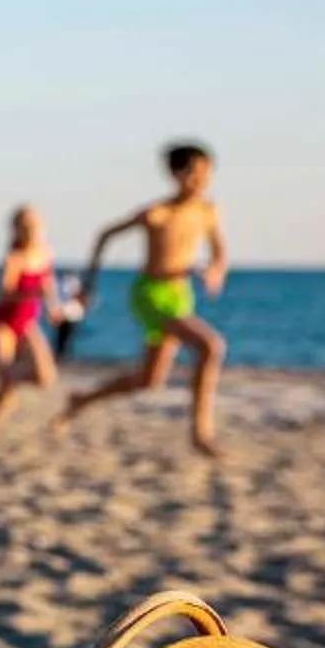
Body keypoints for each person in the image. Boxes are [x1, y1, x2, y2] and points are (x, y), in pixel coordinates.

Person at [58, 142, 230, 455]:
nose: (201, 181)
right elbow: (105, 235)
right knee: (210, 345)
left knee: (150, 380)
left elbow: (220, 252)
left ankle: (81, 400)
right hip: (150, 294)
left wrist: (215, 271)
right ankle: (201, 432)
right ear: (176, 174)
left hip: (181, 294)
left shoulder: (207, 211)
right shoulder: (156, 214)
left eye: (207, 174)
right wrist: (88, 284)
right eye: (194, 174)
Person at [0, 206, 60, 445]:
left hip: (27, 323)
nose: (31, 230)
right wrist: (30, 294)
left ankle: (8, 387)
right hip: (3, 322)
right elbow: (2, 293)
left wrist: (54, 308)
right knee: (5, 381)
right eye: (26, 226)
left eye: (35, 225)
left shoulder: (45, 253)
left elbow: (48, 283)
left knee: (46, 377)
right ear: (16, 230)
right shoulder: (14, 258)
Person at [49, 271, 88, 360]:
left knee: (65, 336)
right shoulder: (68, 285)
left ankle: (63, 354)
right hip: (66, 313)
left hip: (69, 314)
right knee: (63, 337)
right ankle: (62, 354)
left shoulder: (69, 285)